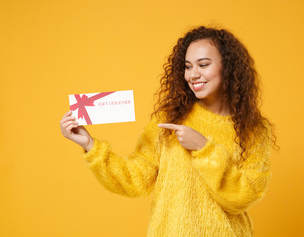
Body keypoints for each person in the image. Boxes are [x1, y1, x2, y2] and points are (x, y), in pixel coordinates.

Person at [60, 26, 278, 237]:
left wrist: (204, 148)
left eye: (203, 64)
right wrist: (90, 145)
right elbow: (135, 179)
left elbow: (243, 198)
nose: (193, 74)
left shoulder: (254, 130)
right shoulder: (170, 119)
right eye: (188, 66)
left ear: (228, 67)